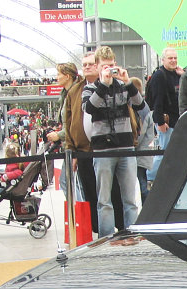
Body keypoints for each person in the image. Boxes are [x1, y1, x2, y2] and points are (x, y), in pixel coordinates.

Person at [83, 45, 149, 238]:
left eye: (112, 65)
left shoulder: (123, 86)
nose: (109, 69)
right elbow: (89, 109)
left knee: (130, 198)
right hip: (103, 150)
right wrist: (103, 84)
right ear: (97, 67)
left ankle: (132, 234)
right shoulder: (90, 88)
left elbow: (140, 105)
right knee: (104, 200)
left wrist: (128, 82)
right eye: (105, 66)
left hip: (126, 147)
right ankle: (105, 237)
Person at [63, 51, 100, 234]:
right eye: (84, 64)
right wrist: (71, 150)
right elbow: (68, 122)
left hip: (107, 149)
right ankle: (95, 229)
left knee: (109, 194)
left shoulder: (107, 85)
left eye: (90, 64)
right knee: (90, 193)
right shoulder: (74, 91)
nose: (86, 67)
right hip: (83, 151)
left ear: (98, 65)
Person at [146, 48, 183, 185]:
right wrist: (160, 122)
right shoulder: (159, 76)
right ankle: (150, 178)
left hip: (177, 121)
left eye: (175, 58)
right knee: (164, 152)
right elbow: (157, 101)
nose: (173, 60)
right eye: (170, 58)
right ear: (163, 60)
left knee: (172, 153)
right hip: (166, 123)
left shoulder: (178, 75)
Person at [46, 62, 80, 203]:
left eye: (59, 74)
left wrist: (59, 135)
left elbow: (75, 125)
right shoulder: (66, 95)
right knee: (69, 183)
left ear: (67, 76)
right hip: (68, 144)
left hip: (75, 146)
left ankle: (78, 214)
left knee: (69, 183)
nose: (57, 77)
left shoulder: (73, 95)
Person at [130, 76, 155, 203]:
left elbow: (140, 133)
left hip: (140, 154)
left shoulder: (140, 109)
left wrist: (132, 146)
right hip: (144, 153)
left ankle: (147, 209)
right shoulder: (144, 107)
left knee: (141, 186)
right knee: (141, 183)